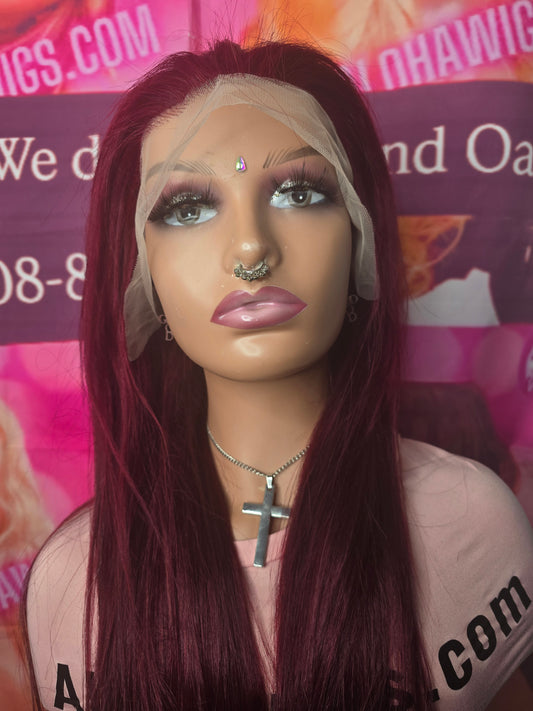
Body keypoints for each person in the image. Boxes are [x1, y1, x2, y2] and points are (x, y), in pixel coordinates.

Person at [23, 39, 533, 710]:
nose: (250, 249)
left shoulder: (468, 523)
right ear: (140, 272)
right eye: (187, 208)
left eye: (299, 192)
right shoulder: (72, 584)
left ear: (360, 238)